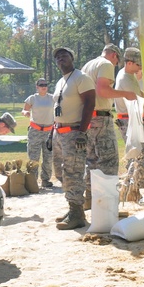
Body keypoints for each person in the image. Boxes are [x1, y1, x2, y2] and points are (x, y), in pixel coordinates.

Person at [81, 43, 138, 207]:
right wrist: (126, 94)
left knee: (90, 161)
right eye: (117, 61)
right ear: (114, 55)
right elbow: (103, 91)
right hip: (100, 117)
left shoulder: (88, 65)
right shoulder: (105, 64)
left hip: (87, 118)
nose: (115, 65)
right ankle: (108, 203)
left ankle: (89, 199)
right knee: (109, 161)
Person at [50, 47, 95, 230]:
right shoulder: (61, 81)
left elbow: (90, 103)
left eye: (64, 55)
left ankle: (77, 213)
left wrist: (83, 132)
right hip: (59, 133)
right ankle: (72, 207)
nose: (61, 58)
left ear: (72, 58)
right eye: (58, 57)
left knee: (74, 171)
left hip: (74, 133)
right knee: (61, 172)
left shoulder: (81, 78)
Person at [114, 47, 144, 165]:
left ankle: (131, 180)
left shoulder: (128, 73)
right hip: (130, 120)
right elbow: (138, 101)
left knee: (135, 156)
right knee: (140, 156)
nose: (141, 67)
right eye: (139, 65)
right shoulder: (125, 79)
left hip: (130, 118)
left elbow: (139, 92)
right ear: (129, 63)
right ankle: (137, 182)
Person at [22, 78, 55, 189]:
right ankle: (33, 181)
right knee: (33, 157)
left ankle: (45, 180)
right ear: (37, 87)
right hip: (35, 131)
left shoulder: (52, 98)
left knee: (48, 157)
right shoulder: (32, 98)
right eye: (41, 85)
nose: (43, 86)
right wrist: (26, 112)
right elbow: (24, 109)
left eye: (45, 84)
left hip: (49, 132)